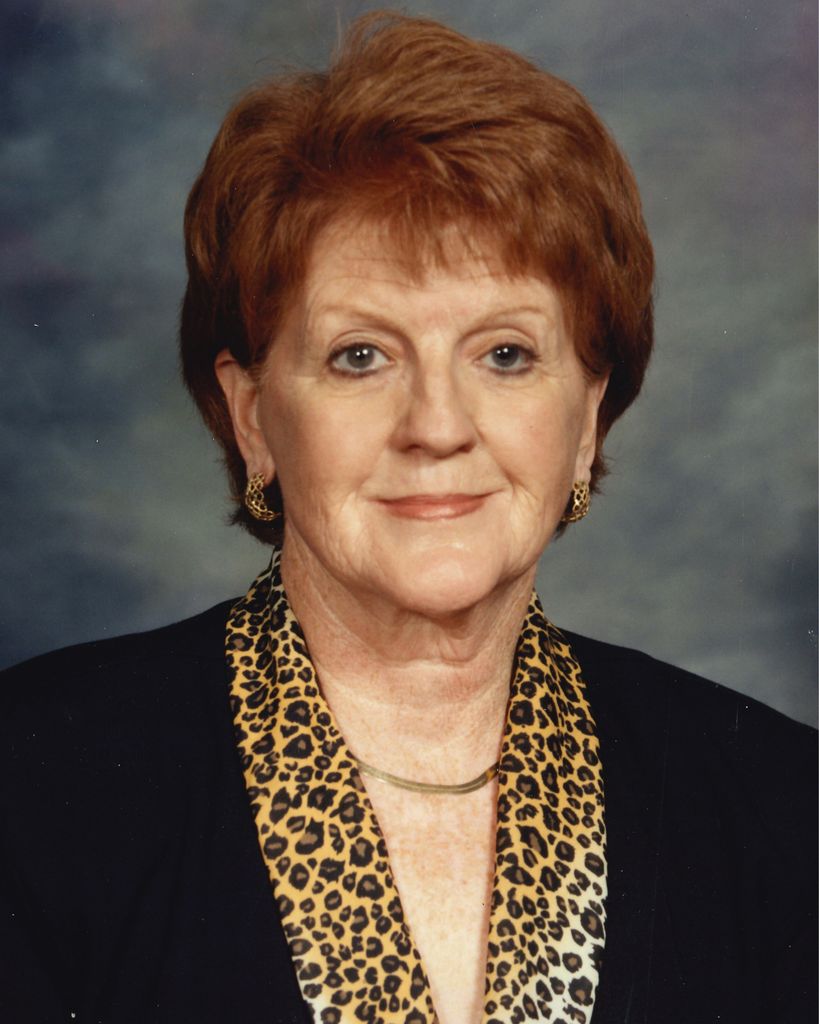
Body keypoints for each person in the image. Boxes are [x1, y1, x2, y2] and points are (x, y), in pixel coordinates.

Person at [1, 11, 815, 1024]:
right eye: (361, 356)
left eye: (505, 354)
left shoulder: (780, 806)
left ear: (586, 418)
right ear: (254, 419)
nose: (437, 426)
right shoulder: (37, 783)